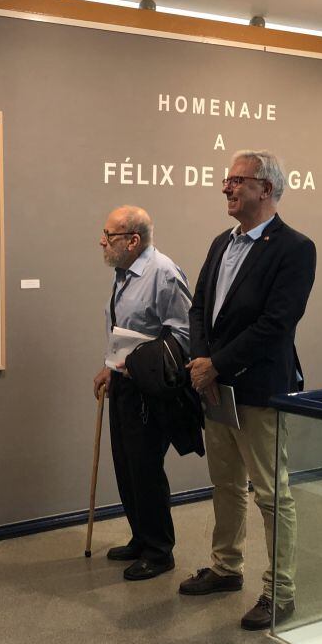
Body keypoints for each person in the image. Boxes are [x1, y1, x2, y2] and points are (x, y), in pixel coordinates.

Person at [181, 149, 316, 631]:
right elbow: (198, 307)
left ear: (267, 188)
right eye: (227, 179)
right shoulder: (223, 242)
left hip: (259, 390)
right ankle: (225, 567)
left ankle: (280, 591)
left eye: (237, 180)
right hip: (215, 388)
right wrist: (202, 362)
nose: (227, 187)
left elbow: (277, 325)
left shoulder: (295, 248)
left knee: (272, 494)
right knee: (225, 484)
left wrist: (216, 364)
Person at [92, 205, 192, 581]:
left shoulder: (163, 273)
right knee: (127, 464)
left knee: (146, 468)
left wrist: (136, 363)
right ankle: (140, 536)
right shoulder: (123, 273)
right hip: (123, 382)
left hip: (148, 388)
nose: (102, 241)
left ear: (133, 240)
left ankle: (159, 550)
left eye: (110, 235)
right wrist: (109, 365)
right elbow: (123, 327)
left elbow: (182, 333)